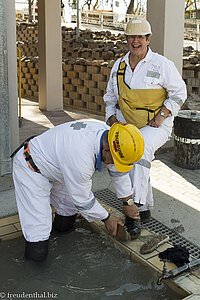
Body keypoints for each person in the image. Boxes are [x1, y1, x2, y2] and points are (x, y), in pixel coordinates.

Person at [12, 120, 144, 262]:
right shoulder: (81, 158)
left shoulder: (112, 137)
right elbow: (83, 200)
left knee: (67, 214)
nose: (113, 164)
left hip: (59, 166)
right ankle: (34, 272)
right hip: (32, 168)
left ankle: (60, 246)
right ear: (106, 150)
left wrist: (128, 202)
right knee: (38, 234)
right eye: (114, 160)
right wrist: (107, 218)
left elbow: (118, 172)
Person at [104, 18, 187, 230]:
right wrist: (111, 118)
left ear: (148, 39)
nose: (135, 41)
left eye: (140, 37)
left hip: (155, 125)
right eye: (131, 37)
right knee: (121, 157)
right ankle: (146, 205)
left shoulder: (162, 64)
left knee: (138, 153)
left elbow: (179, 93)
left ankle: (136, 211)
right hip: (125, 125)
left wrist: (162, 115)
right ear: (126, 39)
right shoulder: (119, 66)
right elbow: (110, 97)